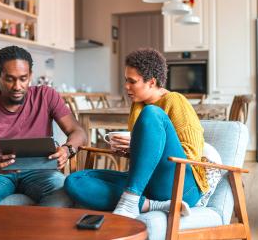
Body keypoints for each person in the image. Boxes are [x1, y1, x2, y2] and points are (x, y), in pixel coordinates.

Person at [64, 48, 208, 218]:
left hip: (182, 185)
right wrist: (129, 150)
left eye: (132, 81)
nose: (126, 86)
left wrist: (136, 146)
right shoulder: (138, 105)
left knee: (152, 113)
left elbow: (191, 154)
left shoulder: (174, 101)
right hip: (147, 185)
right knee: (75, 181)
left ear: (152, 82)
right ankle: (151, 205)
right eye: (126, 80)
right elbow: (144, 156)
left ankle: (130, 199)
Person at [0, 45, 87, 207]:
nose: (17, 86)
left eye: (23, 78)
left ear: (30, 76)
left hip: (42, 172)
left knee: (66, 194)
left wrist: (66, 149)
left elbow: (78, 132)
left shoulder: (46, 95)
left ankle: (37, 230)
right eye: (10, 79)